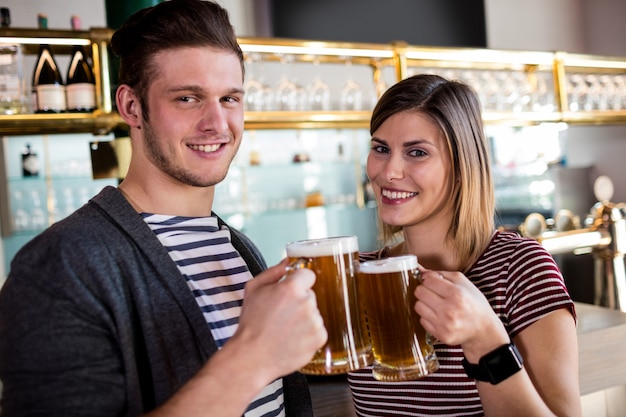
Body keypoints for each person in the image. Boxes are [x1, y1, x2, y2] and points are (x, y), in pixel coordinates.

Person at [0, 1, 327, 416]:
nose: (217, 122)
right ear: (131, 107)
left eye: (230, 98)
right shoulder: (58, 268)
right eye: (188, 98)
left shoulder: (238, 248)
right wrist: (252, 359)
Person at [348, 74, 582, 416]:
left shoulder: (519, 270)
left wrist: (485, 339)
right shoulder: (362, 276)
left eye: (416, 152)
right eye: (381, 149)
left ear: (462, 166)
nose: (389, 172)